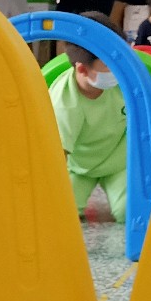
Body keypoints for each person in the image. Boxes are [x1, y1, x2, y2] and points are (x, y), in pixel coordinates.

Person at [48, 12, 129, 221]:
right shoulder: (64, 103)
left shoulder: (125, 81)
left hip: (120, 162)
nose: (117, 68)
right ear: (82, 69)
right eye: (109, 64)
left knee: (128, 211)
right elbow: (57, 155)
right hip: (80, 167)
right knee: (62, 211)